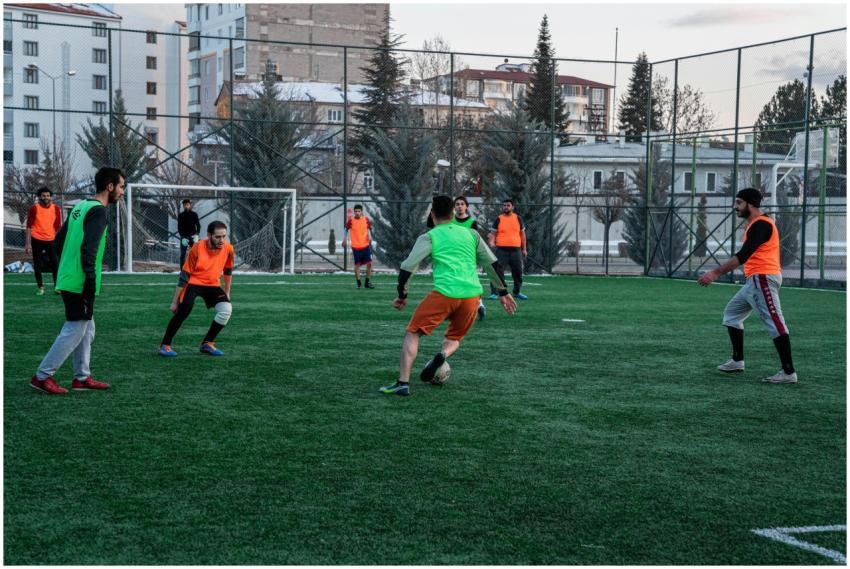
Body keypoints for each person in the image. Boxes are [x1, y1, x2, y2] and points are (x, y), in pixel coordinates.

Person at [380, 195, 517, 397]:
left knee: (413, 332)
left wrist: (402, 294)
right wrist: (503, 292)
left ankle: (402, 383)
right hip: (472, 296)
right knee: (454, 338)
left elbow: (408, 266)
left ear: (432, 215)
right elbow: (492, 264)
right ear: (453, 213)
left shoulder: (431, 236)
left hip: (445, 294)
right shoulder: (472, 234)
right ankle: (442, 355)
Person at [30, 167, 125, 394]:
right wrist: (89, 280)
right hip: (79, 281)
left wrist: (65, 268)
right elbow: (88, 249)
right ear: (110, 187)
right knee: (75, 327)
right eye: (121, 186)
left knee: (87, 327)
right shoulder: (99, 211)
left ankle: (81, 377)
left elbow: (58, 241)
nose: (122, 191)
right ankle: (43, 376)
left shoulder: (81, 206)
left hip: (70, 277)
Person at [698, 187, 797, 384]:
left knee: (775, 323)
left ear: (750, 204)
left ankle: (788, 372)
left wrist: (715, 273)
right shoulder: (756, 224)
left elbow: (743, 255)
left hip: (763, 278)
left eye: (739, 203)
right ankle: (737, 361)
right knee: (732, 314)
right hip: (755, 281)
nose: (735, 207)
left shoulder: (761, 224)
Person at [159, 220, 234, 357]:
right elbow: (184, 275)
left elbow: (228, 271)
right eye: (218, 237)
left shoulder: (228, 249)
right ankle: (165, 345)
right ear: (209, 235)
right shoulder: (197, 248)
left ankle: (207, 343)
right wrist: (175, 301)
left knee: (226, 310)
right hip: (193, 283)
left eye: (224, 236)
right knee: (183, 311)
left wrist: (227, 292)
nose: (221, 240)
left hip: (213, 285)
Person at [453, 195, 486, 321]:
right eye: (457, 204)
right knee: (455, 281)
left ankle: (480, 305)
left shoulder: (472, 223)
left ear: (466, 206)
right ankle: (457, 308)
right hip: (453, 256)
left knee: (471, 281)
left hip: (467, 256)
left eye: (462, 204)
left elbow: (475, 240)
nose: (459, 206)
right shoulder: (450, 222)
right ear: (454, 207)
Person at [487, 198, 528, 300]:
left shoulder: (518, 218)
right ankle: (494, 293)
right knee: (497, 271)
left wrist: (524, 249)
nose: (506, 207)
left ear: (512, 207)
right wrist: (492, 242)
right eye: (504, 205)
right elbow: (493, 233)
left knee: (518, 272)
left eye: (508, 205)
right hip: (501, 250)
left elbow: (522, 235)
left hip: (516, 250)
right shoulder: (499, 219)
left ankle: (517, 292)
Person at [25, 187, 63, 295]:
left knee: (55, 264)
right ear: (39, 197)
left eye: (48, 196)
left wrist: (59, 242)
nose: (46, 198)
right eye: (43, 196)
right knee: (38, 264)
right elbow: (28, 226)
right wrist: (28, 244)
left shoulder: (56, 209)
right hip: (36, 239)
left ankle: (57, 287)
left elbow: (58, 228)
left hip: (51, 240)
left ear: (50, 197)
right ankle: (40, 287)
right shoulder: (34, 208)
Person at [342, 204, 375, 289]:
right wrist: (344, 239)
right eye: (356, 211)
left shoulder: (366, 220)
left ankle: (367, 283)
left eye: (359, 211)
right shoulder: (351, 221)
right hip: (356, 247)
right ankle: (359, 283)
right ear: (354, 212)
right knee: (357, 265)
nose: (357, 213)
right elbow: (345, 229)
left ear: (361, 212)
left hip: (366, 245)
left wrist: (370, 237)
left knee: (370, 264)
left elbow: (369, 228)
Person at [177, 198, 201, 267]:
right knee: (183, 254)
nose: (186, 206)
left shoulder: (194, 214)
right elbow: (179, 227)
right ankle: (182, 271)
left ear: (190, 205)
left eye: (187, 205)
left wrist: (197, 235)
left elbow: (198, 225)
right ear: (183, 206)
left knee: (195, 254)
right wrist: (182, 237)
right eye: (184, 205)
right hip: (184, 237)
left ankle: (195, 269)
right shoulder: (181, 215)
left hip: (193, 236)